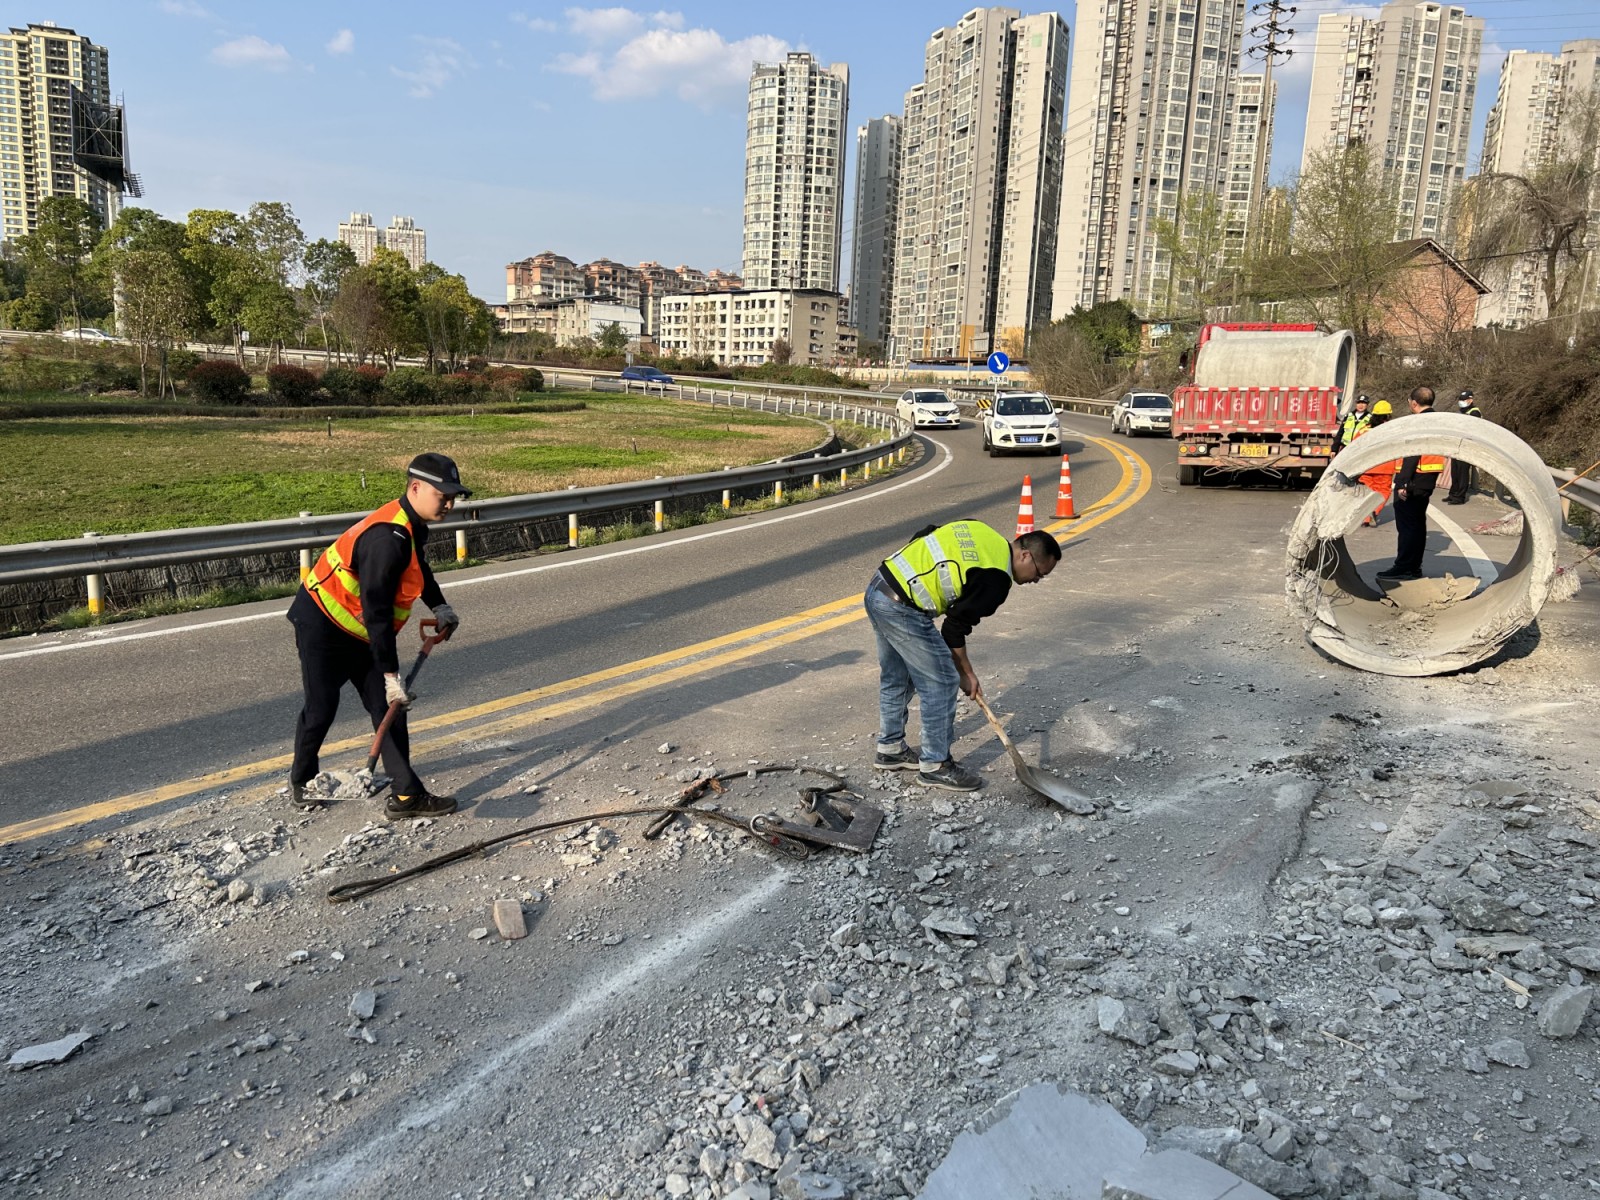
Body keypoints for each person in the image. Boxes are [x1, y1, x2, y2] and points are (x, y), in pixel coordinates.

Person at [288, 453, 470, 819]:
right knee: (322, 708)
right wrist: (390, 675)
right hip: (322, 625)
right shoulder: (388, 539)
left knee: (389, 711)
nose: (449, 504)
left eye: (453, 497)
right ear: (416, 488)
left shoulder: (413, 525)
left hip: (362, 631)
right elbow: (377, 611)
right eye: (443, 496)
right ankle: (302, 781)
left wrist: (439, 606)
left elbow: (419, 568)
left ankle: (406, 796)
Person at [865, 520, 1061, 791]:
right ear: (1025, 555)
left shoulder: (981, 530)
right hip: (902, 608)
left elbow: (926, 532)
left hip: (880, 586)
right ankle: (936, 765)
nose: (1037, 580)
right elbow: (953, 629)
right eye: (1040, 573)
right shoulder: (997, 579)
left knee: (897, 676)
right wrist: (965, 674)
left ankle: (890, 748)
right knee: (942, 681)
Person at [1378, 389, 1446, 581]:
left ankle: (1404, 567)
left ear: (1414, 403)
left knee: (1407, 526)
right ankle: (1413, 567)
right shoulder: (1439, 421)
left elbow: (1413, 452)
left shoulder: (1419, 422)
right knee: (1417, 525)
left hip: (1414, 479)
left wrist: (1402, 482)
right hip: (1426, 480)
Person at [1356, 400, 1397, 527]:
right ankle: (1374, 511)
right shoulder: (1393, 430)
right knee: (1383, 491)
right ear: (1388, 416)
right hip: (1385, 466)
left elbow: (1355, 447)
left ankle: (1366, 517)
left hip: (1367, 467)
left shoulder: (1364, 430)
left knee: (1367, 493)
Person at [1444, 389, 1483, 505]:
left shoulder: (1474, 412)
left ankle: (1460, 497)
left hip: (1466, 447)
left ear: (1470, 400)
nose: (1461, 402)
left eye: (1464, 400)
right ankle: (1453, 494)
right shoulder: (1461, 412)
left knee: (1462, 473)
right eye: (1460, 400)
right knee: (1455, 472)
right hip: (1457, 446)